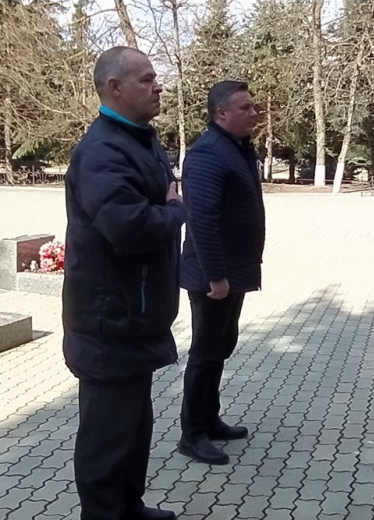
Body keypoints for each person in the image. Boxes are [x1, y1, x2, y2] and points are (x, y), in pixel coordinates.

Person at [63, 47, 185, 520]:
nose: (158, 86)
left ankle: (129, 507)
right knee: (106, 442)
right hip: (108, 322)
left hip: (135, 317)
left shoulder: (138, 140)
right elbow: (129, 228)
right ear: (114, 88)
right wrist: (175, 210)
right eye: (146, 79)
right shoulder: (101, 151)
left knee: (134, 430)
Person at [177, 81, 265, 465]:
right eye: (245, 108)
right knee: (205, 353)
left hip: (233, 273)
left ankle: (209, 420)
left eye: (252, 106)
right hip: (213, 277)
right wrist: (215, 276)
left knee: (221, 347)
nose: (253, 113)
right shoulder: (208, 153)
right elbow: (201, 219)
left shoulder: (237, 148)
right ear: (221, 113)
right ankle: (192, 434)